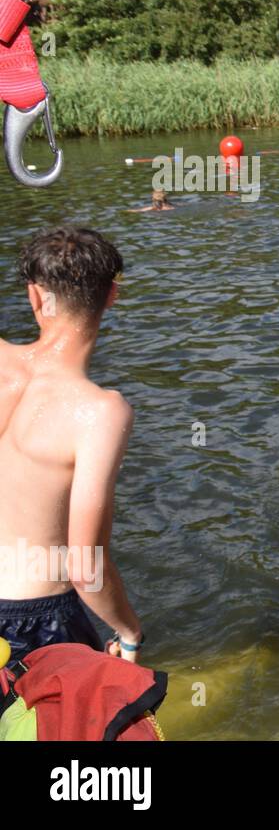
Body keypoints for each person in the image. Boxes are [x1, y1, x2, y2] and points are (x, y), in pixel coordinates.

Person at [0, 228, 144, 665]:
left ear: (35, 296)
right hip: (31, 619)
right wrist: (129, 632)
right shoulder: (101, 412)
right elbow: (85, 567)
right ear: (112, 295)